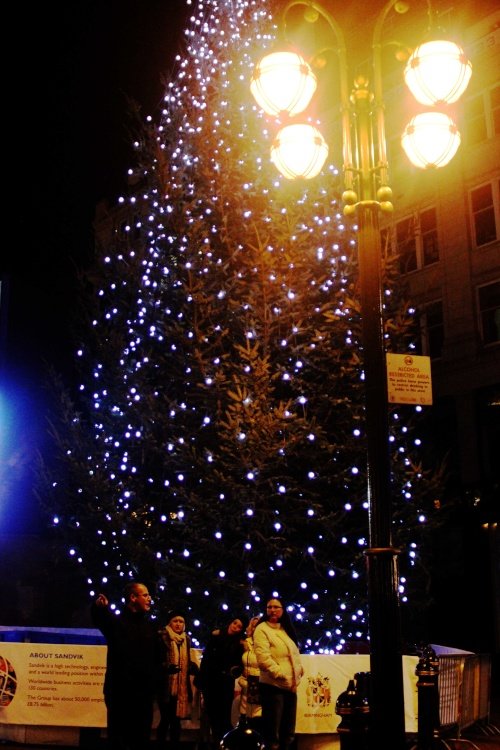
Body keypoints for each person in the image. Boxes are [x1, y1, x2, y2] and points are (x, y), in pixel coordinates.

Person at [91, 582, 164, 750]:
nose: (149, 599)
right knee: (119, 738)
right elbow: (100, 618)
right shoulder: (117, 625)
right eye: (145, 595)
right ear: (133, 598)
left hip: (143, 695)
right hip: (120, 694)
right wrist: (98, 607)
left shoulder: (151, 628)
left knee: (141, 738)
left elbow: (156, 659)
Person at [253, 597, 304, 750]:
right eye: (269, 607)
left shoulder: (285, 629)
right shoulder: (262, 629)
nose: (272, 610)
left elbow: (294, 655)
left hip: (290, 686)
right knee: (272, 733)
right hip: (273, 686)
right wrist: (281, 674)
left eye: (276, 607)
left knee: (288, 732)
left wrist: (299, 672)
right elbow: (263, 659)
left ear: (282, 610)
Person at [195, 614, 249, 748]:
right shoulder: (216, 636)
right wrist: (202, 680)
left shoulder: (240, 644)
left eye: (239, 626)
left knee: (224, 716)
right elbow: (206, 659)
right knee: (211, 715)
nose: (235, 626)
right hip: (210, 682)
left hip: (225, 683)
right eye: (234, 623)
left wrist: (234, 671)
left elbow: (239, 664)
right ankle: (212, 743)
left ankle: (222, 743)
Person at [157, 609, 200, 750]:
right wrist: (166, 667)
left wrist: (193, 667)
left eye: (181, 621)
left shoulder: (186, 639)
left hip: (181, 686)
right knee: (165, 720)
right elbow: (156, 659)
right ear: (170, 623)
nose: (178, 624)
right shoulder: (162, 635)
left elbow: (186, 659)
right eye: (175, 621)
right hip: (166, 685)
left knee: (176, 722)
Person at [238, 615, 264, 735]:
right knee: (245, 716)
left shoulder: (266, 644)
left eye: (257, 626)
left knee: (259, 717)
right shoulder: (244, 643)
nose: (255, 629)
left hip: (260, 684)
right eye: (253, 626)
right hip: (246, 684)